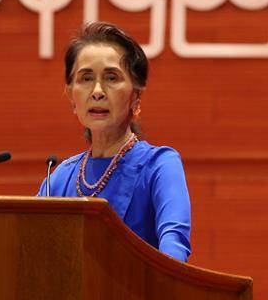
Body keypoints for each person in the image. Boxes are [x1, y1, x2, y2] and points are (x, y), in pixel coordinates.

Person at [37, 22, 192, 262]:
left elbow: (175, 248)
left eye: (111, 77)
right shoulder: (59, 178)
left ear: (136, 95)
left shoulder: (160, 165)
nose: (97, 91)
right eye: (86, 78)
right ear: (71, 96)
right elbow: (30, 250)